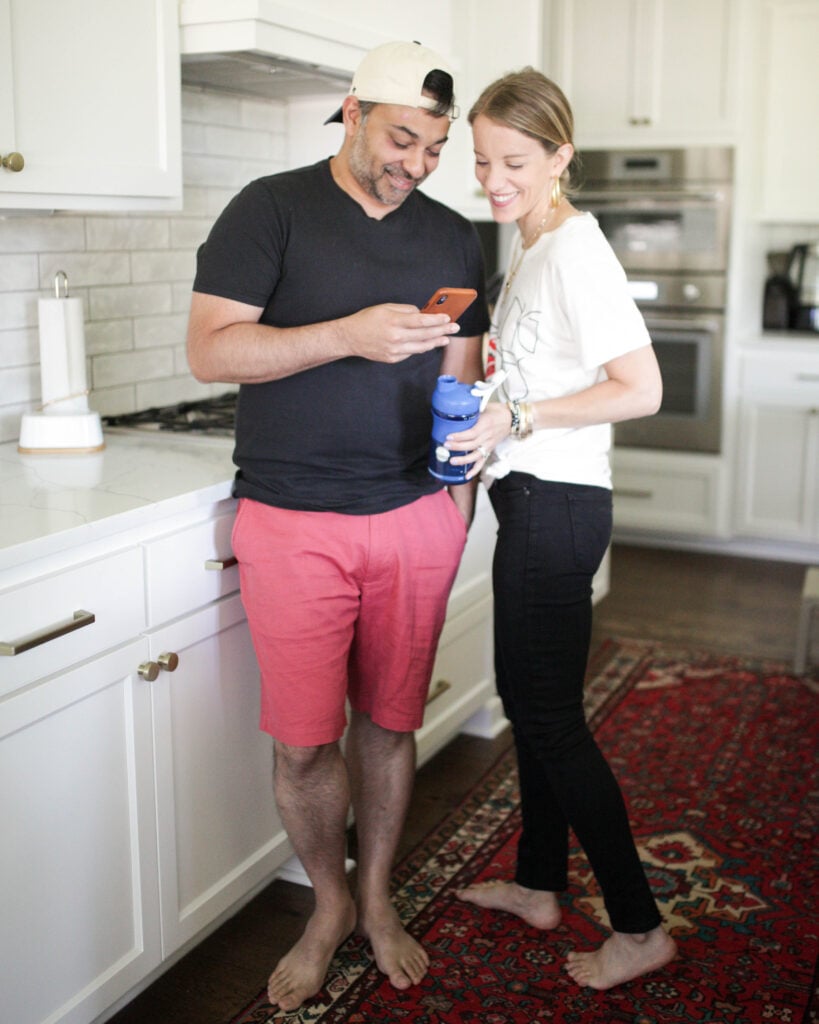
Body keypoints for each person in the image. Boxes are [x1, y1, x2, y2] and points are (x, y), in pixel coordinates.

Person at [186, 41, 489, 1013]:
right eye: (404, 137)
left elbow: (462, 373)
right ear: (354, 113)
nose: (418, 162)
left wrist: (459, 497)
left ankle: (374, 896)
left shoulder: (455, 237)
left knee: (393, 725)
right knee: (307, 744)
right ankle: (324, 906)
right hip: (292, 521)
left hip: (414, 518)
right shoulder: (268, 209)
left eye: (436, 146)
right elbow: (210, 351)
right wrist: (348, 334)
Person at [446, 68, 677, 991]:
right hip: (530, 502)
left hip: (559, 506)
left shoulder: (576, 250)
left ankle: (638, 925)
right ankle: (540, 883)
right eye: (480, 161)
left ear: (559, 156)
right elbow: (529, 375)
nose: (493, 179)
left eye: (513, 161)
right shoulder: (530, 248)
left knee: (547, 716)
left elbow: (641, 389)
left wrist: (518, 420)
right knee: (529, 704)